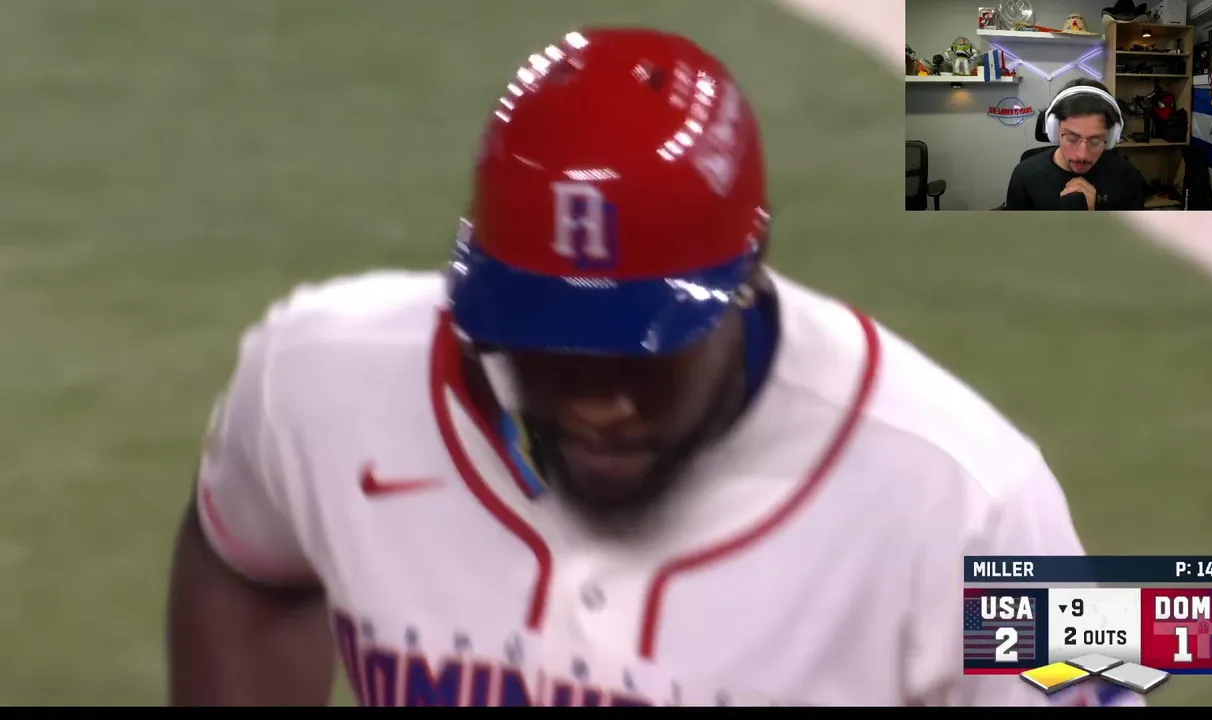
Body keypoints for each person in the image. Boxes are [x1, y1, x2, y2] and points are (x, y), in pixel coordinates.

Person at [165, 27, 1140, 707]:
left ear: (746, 278)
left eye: (643, 351)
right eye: (554, 344)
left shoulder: (975, 492)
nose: (598, 404)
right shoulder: (315, 374)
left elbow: (1138, 641)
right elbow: (242, 558)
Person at [1004, 79, 1146, 211]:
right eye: (1072, 139)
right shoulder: (1025, 175)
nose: (1081, 155)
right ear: (1054, 131)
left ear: (1111, 137)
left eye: (1095, 141)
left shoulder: (1127, 176)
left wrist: (1093, 215)